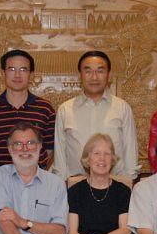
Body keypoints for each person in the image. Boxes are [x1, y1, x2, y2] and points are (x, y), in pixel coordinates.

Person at [53, 51, 139, 180]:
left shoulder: (122, 108)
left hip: (114, 187)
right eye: (88, 71)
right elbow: (59, 156)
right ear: (79, 75)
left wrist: (127, 184)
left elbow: (130, 150)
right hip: (75, 188)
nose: (94, 77)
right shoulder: (65, 110)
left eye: (100, 71)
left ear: (108, 75)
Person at [0, 49, 55, 171]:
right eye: (12, 69)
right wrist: (3, 174)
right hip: (0, 182)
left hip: (35, 182)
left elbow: (49, 150)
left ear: (31, 74)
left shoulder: (45, 108)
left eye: (23, 70)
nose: (17, 75)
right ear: (3, 73)